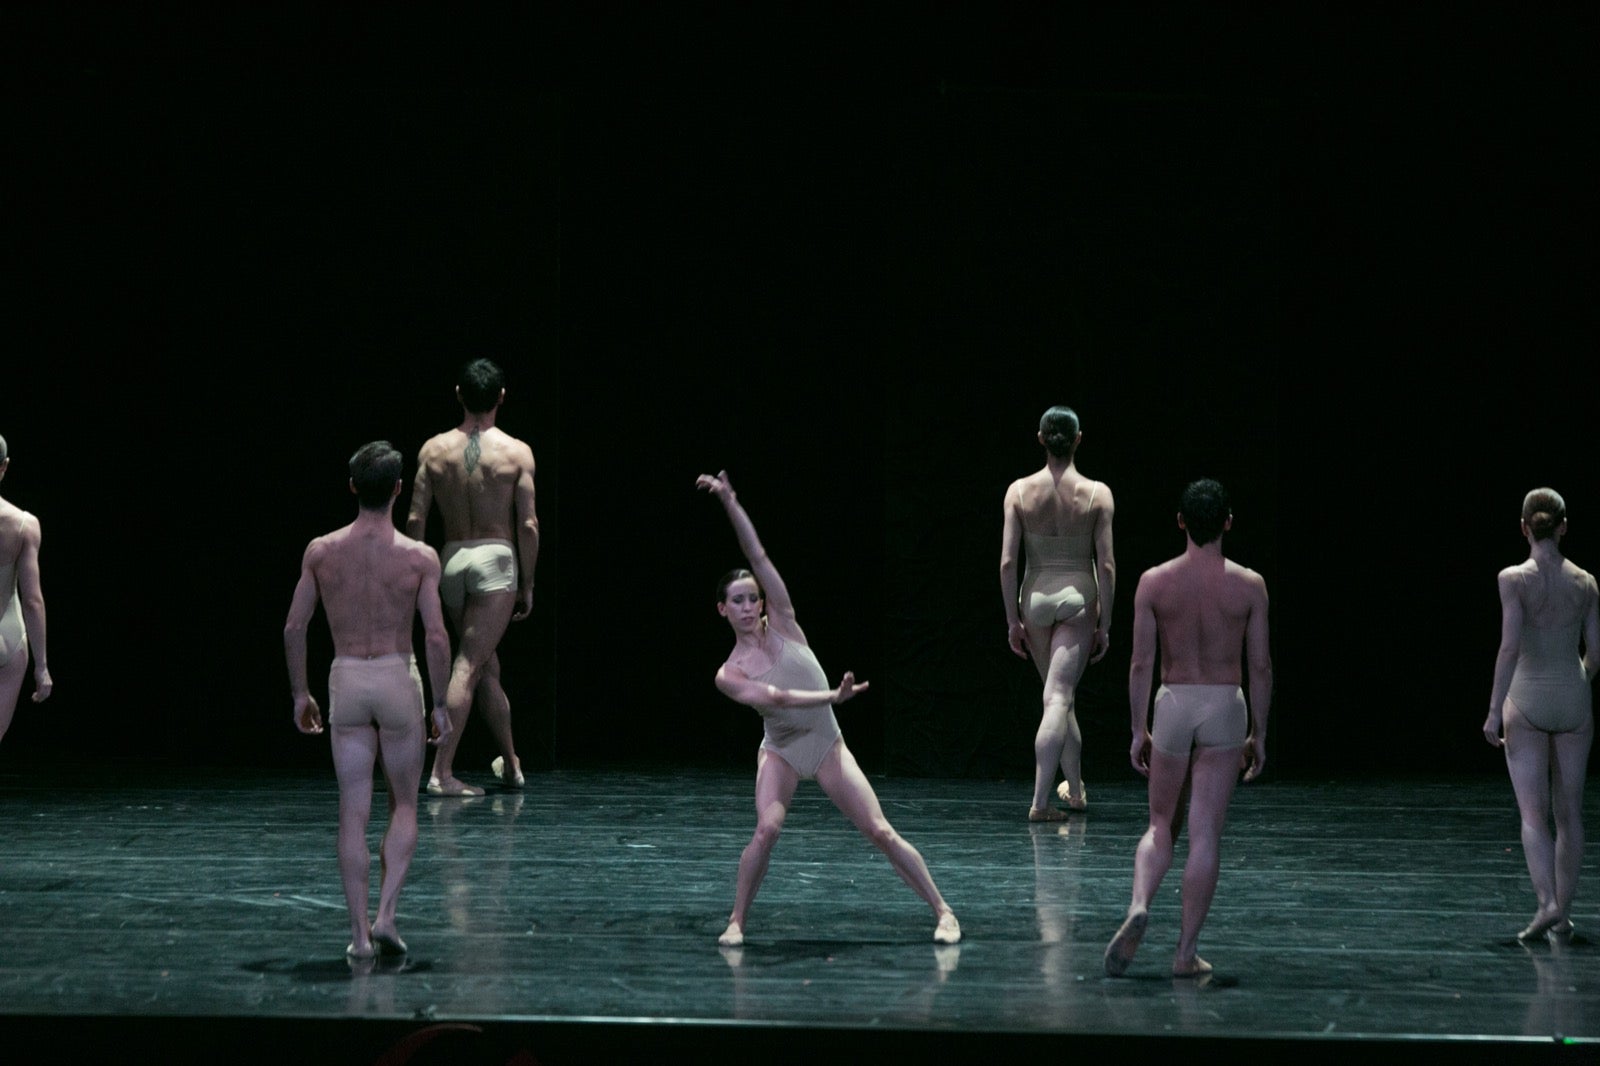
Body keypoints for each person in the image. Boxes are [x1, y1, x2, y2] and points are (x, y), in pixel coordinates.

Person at [698, 470, 960, 947]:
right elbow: (775, 699)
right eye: (737, 600)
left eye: (752, 597)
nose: (748, 605)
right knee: (767, 830)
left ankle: (943, 910)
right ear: (721, 609)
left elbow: (757, 554)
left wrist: (730, 502)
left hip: (824, 743)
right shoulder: (729, 672)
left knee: (879, 830)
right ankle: (736, 920)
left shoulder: (783, 621)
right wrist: (832, 697)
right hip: (780, 749)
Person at [285, 441, 454, 959]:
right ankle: (386, 916)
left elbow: (295, 626)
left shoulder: (321, 551)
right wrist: (442, 704)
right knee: (404, 803)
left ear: (353, 486)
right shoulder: (419, 557)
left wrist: (300, 693)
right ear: (399, 489)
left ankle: (359, 937)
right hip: (397, 677)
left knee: (351, 812)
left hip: (348, 679)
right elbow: (435, 637)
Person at [1105, 478, 1270, 978]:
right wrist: (1259, 733)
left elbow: (1139, 662)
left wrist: (1139, 729)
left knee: (1160, 825)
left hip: (1174, 703)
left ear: (1180, 522)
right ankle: (1184, 953)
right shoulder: (1249, 585)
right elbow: (1260, 666)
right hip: (1223, 704)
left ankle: (1138, 903)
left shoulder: (1154, 582)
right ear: (1228, 522)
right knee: (1204, 835)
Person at [406, 358, 539, 797]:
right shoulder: (516, 452)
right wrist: (528, 583)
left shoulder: (431, 450)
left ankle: (511, 763)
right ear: (502, 397)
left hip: (451, 560)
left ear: (459, 395)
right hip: (495, 560)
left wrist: (419, 575)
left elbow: (415, 518)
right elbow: (528, 525)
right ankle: (441, 772)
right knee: (468, 664)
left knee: (484, 665)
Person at [1484, 488, 1598, 943]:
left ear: (1525, 528)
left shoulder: (1513, 579)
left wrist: (1494, 710)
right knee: (1570, 812)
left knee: (1534, 814)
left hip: (1527, 697)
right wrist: (1576, 684)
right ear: (1564, 527)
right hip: (1572, 697)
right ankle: (1564, 916)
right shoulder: (1586, 582)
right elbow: (1596, 653)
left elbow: (1510, 647)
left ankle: (1547, 903)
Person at [1000, 405, 1115, 820]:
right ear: (1078, 439)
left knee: (1060, 700)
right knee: (1059, 698)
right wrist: (1106, 621)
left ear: (1041, 438)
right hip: (1078, 596)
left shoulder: (1018, 491)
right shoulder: (1097, 493)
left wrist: (1013, 619)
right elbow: (1106, 565)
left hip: (1035, 598)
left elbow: (1007, 563)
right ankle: (1040, 802)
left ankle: (1077, 791)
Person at [0, 434, 51, 742]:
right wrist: (42, 668)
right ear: (4, 467)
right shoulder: (23, 525)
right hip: (9, 636)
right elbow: (33, 600)